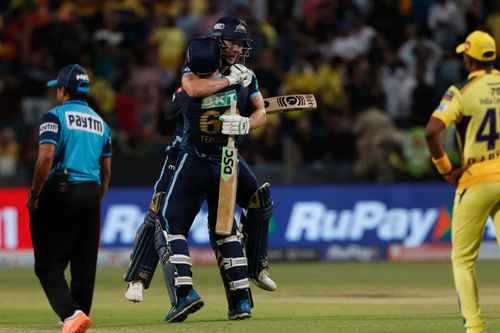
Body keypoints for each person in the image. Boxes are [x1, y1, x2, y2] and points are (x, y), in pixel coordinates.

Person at [124, 16, 276, 303]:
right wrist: (230, 80)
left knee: (258, 200)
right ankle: (138, 277)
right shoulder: (199, 64)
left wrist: (245, 123)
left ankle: (257, 267)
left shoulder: (248, 74)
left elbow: (261, 112)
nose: (238, 49)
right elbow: (193, 90)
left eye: (242, 44)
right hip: (185, 150)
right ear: (218, 41)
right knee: (159, 210)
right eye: (234, 42)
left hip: (224, 154)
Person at [26, 64, 112, 333]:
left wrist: (35, 194)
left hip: (60, 190)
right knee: (84, 260)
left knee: (47, 263)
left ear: (63, 90)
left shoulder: (54, 117)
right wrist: (95, 197)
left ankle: (70, 313)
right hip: (91, 191)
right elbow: (106, 170)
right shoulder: (102, 124)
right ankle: (79, 312)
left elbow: (46, 156)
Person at [425, 30, 500, 333]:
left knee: (463, 260)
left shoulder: (462, 90)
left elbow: (432, 130)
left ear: (468, 60)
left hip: (476, 178)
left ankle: (475, 327)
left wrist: (444, 168)